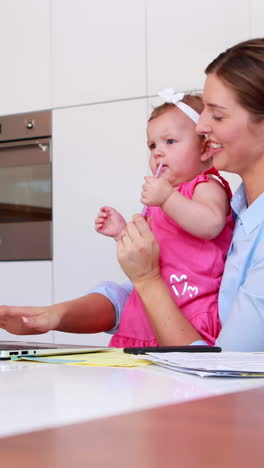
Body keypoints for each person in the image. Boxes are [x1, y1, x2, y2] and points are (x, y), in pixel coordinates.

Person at [0, 37, 264, 351]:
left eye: (217, 115)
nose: (202, 126)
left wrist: (147, 277)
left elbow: (226, 370)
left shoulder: (208, 201)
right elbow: (143, 296)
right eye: (152, 145)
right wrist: (54, 316)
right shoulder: (240, 210)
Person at [94, 90, 233, 347]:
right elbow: (148, 252)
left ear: (204, 148)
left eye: (169, 142)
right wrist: (121, 232)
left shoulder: (205, 185)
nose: (158, 152)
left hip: (189, 313)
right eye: (152, 145)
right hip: (148, 315)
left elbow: (211, 224)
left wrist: (167, 198)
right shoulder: (161, 199)